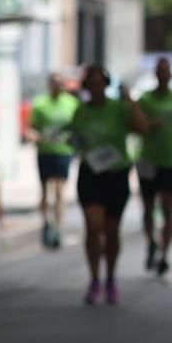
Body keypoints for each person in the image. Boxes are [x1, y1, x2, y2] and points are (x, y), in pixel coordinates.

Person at [68, 66, 150, 305]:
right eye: (91, 85)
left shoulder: (119, 108)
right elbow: (75, 138)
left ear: (106, 85)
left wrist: (131, 101)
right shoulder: (81, 112)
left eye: (99, 84)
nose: (96, 89)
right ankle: (94, 278)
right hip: (91, 173)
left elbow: (143, 128)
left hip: (116, 174)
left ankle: (110, 278)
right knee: (94, 227)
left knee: (112, 230)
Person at [136, 58, 172, 276]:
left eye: (166, 72)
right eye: (159, 71)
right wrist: (149, 125)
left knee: (169, 209)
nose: (163, 75)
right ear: (155, 75)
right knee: (148, 208)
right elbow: (136, 125)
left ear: (170, 75)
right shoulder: (145, 100)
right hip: (147, 160)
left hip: (171, 161)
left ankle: (164, 253)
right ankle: (151, 241)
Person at [27, 73, 79, 249]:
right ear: (49, 85)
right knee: (44, 190)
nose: (57, 86)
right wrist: (36, 137)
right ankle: (45, 223)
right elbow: (32, 128)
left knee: (59, 190)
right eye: (54, 83)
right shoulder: (40, 103)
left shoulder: (71, 103)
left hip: (63, 151)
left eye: (60, 83)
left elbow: (77, 127)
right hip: (45, 151)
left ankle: (57, 228)